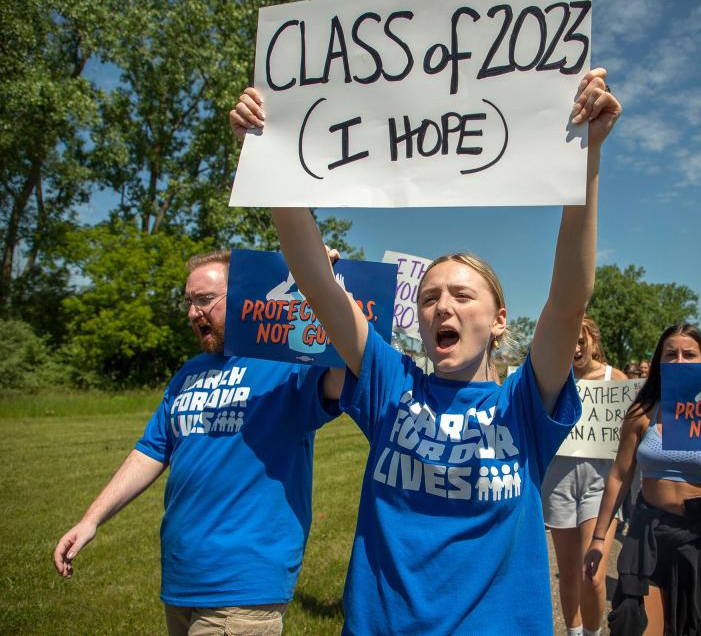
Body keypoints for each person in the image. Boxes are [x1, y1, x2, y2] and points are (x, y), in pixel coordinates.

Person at [231, 69, 621, 634]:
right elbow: (317, 284)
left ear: (498, 321)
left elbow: (567, 301)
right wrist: (270, 165)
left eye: (463, 295)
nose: (443, 307)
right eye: (430, 297)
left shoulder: (525, 403)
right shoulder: (391, 382)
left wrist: (588, 157)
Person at [52, 250, 344, 635]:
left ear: (244, 297)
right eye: (189, 302)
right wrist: (91, 520)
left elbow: (342, 373)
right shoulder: (188, 374)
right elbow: (152, 450)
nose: (193, 313)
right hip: (182, 579)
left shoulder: (287, 364)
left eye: (205, 300)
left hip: (243, 585)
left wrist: (322, 287)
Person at [584, 323, 701, 636]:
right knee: (633, 624)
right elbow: (620, 475)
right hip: (648, 532)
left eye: (689, 354)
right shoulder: (642, 412)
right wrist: (598, 539)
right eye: (671, 354)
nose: (679, 360)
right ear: (659, 362)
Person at [542, 316, 627, 636]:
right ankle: (574, 633)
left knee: (592, 575)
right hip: (558, 484)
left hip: (600, 486)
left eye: (582, 340)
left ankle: (593, 632)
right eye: (570, 342)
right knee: (568, 574)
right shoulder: (552, 380)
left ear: (593, 340)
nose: (576, 348)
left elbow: (631, 433)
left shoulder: (614, 379)